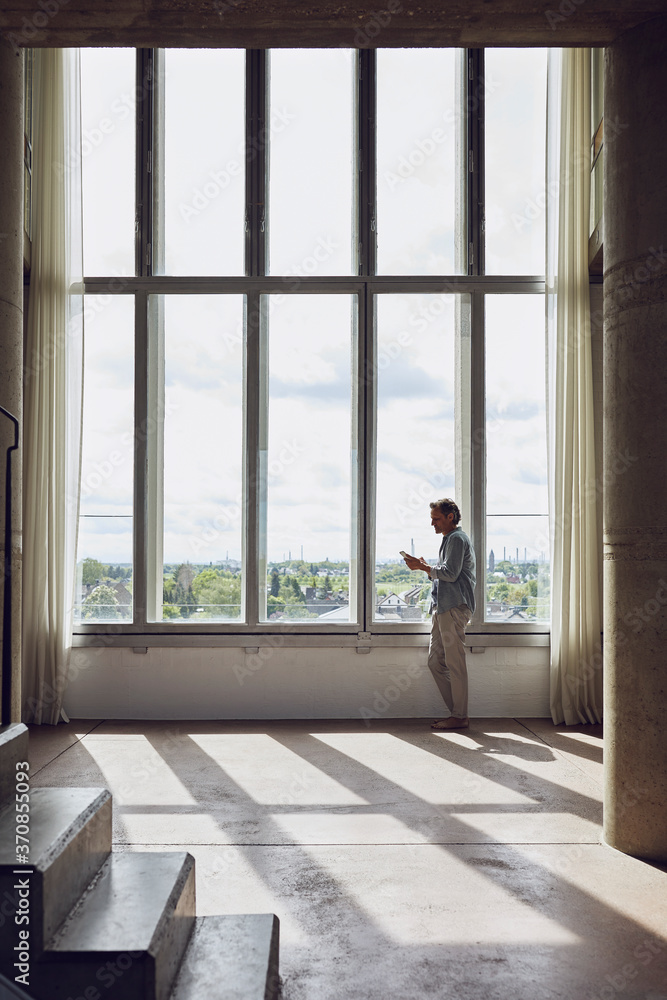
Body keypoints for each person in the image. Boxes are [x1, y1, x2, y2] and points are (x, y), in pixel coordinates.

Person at [403, 499, 476, 730]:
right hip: (442, 607)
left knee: (455, 662)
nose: (432, 523)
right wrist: (427, 567)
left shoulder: (457, 538)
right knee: (435, 662)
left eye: (436, 519)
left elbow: (451, 574)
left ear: (450, 517)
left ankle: (459, 716)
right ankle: (458, 714)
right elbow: (446, 573)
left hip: (453, 607)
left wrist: (423, 568)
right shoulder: (449, 539)